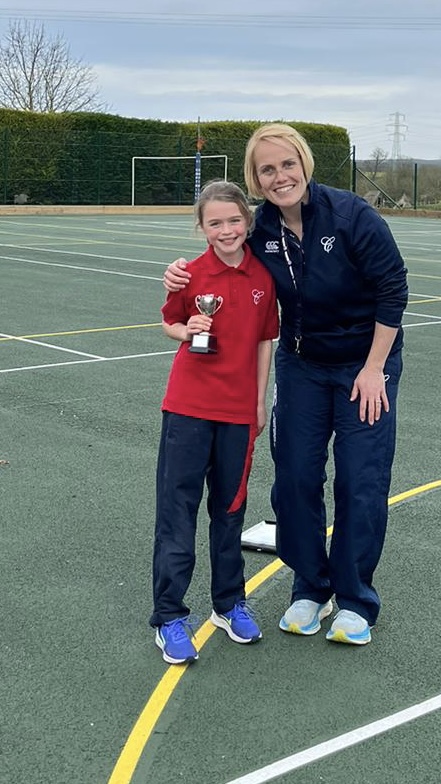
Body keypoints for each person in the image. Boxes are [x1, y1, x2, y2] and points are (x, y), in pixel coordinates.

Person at [163, 124, 408, 646]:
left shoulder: (352, 216)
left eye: (287, 164)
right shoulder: (260, 229)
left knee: (360, 481)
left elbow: (393, 289)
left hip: (366, 363)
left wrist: (372, 369)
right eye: (267, 169)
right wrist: (179, 277)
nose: (280, 177)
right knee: (295, 478)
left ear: (304, 164)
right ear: (256, 179)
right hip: (301, 366)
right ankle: (310, 588)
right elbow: (220, 255)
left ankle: (355, 598)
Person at [151, 180, 279, 664]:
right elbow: (169, 324)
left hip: (239, 413)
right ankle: (169, 615)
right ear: (201, 228)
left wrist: (261, 400)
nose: (226, 230)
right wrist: (187, 329)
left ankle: (228, 604)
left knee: (228, 512)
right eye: (215, 222)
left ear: (247, 221)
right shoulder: (187, 276)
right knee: (177, 513)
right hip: (187, 409)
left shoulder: (263, 278)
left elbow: (267, 340)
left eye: (234, 220)